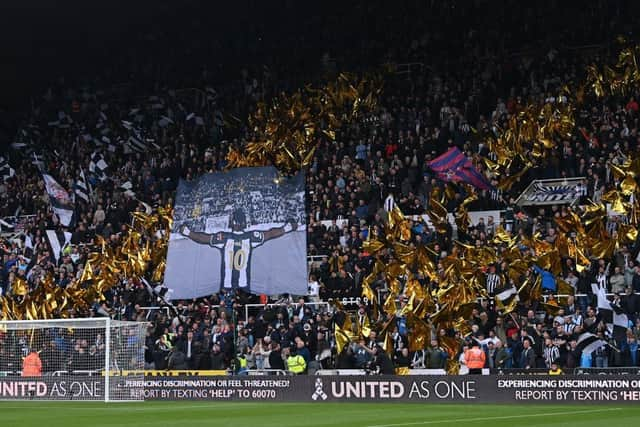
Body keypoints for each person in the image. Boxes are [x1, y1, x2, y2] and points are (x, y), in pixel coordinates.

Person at [180, 209, 298, 291]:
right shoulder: (251, 237)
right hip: (245, 286)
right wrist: (288, 227)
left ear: (233, 222)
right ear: (244, 223)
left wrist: (187, 232)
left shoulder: (223, 237)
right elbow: (271, 233)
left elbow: (203, 238)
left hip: (226, 286)